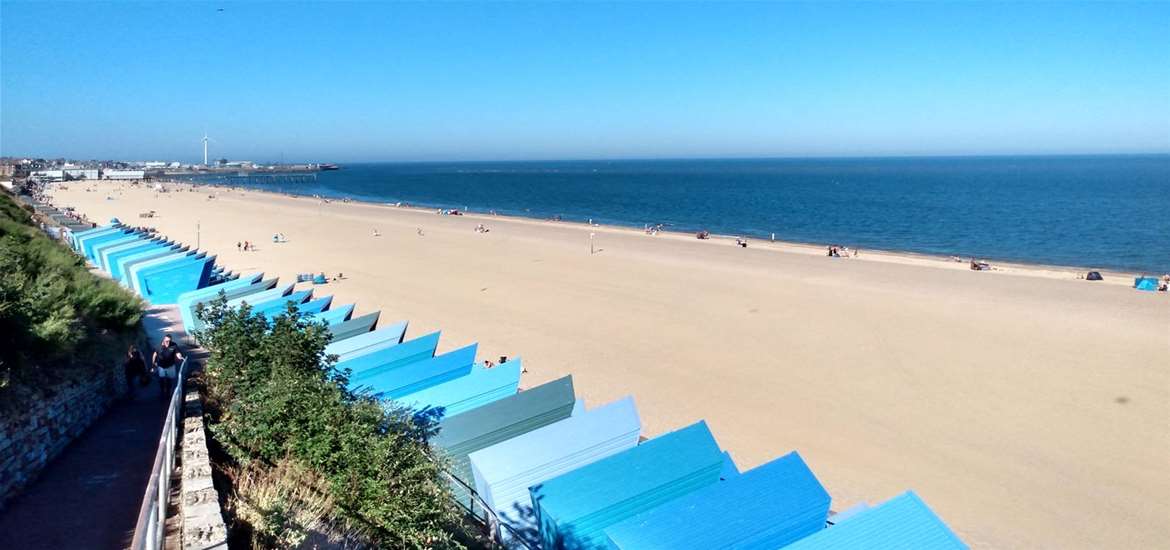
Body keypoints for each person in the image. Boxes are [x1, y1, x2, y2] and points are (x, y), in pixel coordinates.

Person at [152, 334, 184, 398]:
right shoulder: (159, 346)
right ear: (164, 340)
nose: (168, 342)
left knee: (169, 380)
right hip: (161, 366)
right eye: (166, 341)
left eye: (169, 341)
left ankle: (168, 393)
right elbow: (155, 354)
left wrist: (179, 356)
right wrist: (153, 364)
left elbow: (177, 352)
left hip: (170, 366)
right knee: (162, 379)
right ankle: (162, 392)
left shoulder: (174, 345)